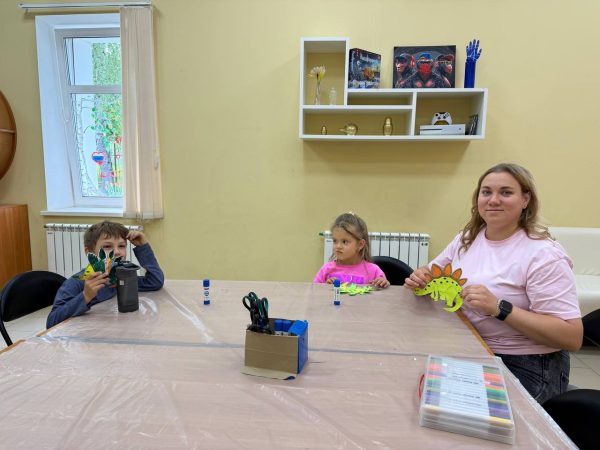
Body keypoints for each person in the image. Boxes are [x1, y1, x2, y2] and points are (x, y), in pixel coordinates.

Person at [404, 163, 582, 404]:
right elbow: (432, 271)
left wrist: (500, 308)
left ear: (525, 199)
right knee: (419, 397)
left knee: (467, 415)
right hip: (471, 346)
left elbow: (571, 337)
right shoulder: (468, 238)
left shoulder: (543, 254)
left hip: (527, 363)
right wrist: (420, 276)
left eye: (506, 193)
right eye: (486, 192)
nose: (493, 200)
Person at [47, 220, 164, 328]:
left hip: (115, 329)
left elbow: (155, 282)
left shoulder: (121, 277)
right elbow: (52, 322)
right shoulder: (77, 282)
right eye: (107, 246)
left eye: (121, 246)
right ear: (90, 252)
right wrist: (85, 296)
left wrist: (142, 246)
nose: (117, 252)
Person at [314, 212, 390, 288]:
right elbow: (314, 291)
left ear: (360, 245)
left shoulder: (374, 271)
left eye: (344, 242)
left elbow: (384, 291)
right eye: (335, 241)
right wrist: (325, 288)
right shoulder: (326, 270)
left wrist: (382, 283)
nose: (338, 246)